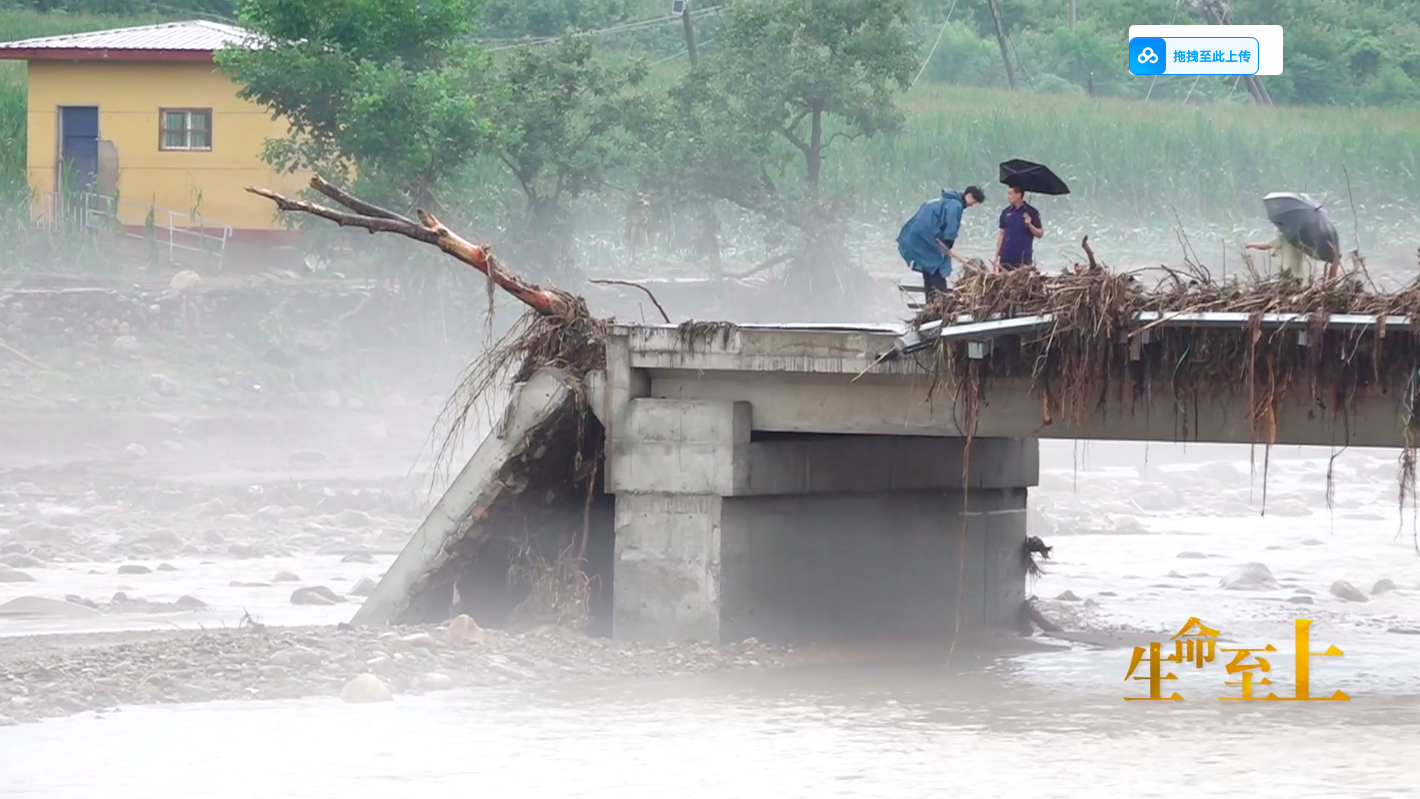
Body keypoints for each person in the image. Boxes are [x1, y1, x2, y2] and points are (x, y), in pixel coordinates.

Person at [896, 185, 986, 300]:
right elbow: (951, 227)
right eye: (974, 201)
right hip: (928, 239)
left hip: (918, 238)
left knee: (928, 271)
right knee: (937, 269)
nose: (972, 205)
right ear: (968, 195)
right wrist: (948, 244)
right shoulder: (956, 205)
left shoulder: (942, 201)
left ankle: (930, 302)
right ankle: (940, 303)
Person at [1245, 225, 1341, 281]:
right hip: (1298, 276)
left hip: (1289, 275)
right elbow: (1313, 253)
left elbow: (1266, 246)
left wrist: (1250, 245)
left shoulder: (1285, 239)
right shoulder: (1300, 241)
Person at [994, 185, 1044, 272]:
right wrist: (996, 255)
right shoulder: (1006, 212)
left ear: (1019, 195)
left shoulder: (1031, 212)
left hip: (1023, 259)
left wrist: (1029, 224)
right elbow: (1001, 233)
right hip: (1006, 258)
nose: (1008, 196)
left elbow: (1040, 234)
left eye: (1010, 193)